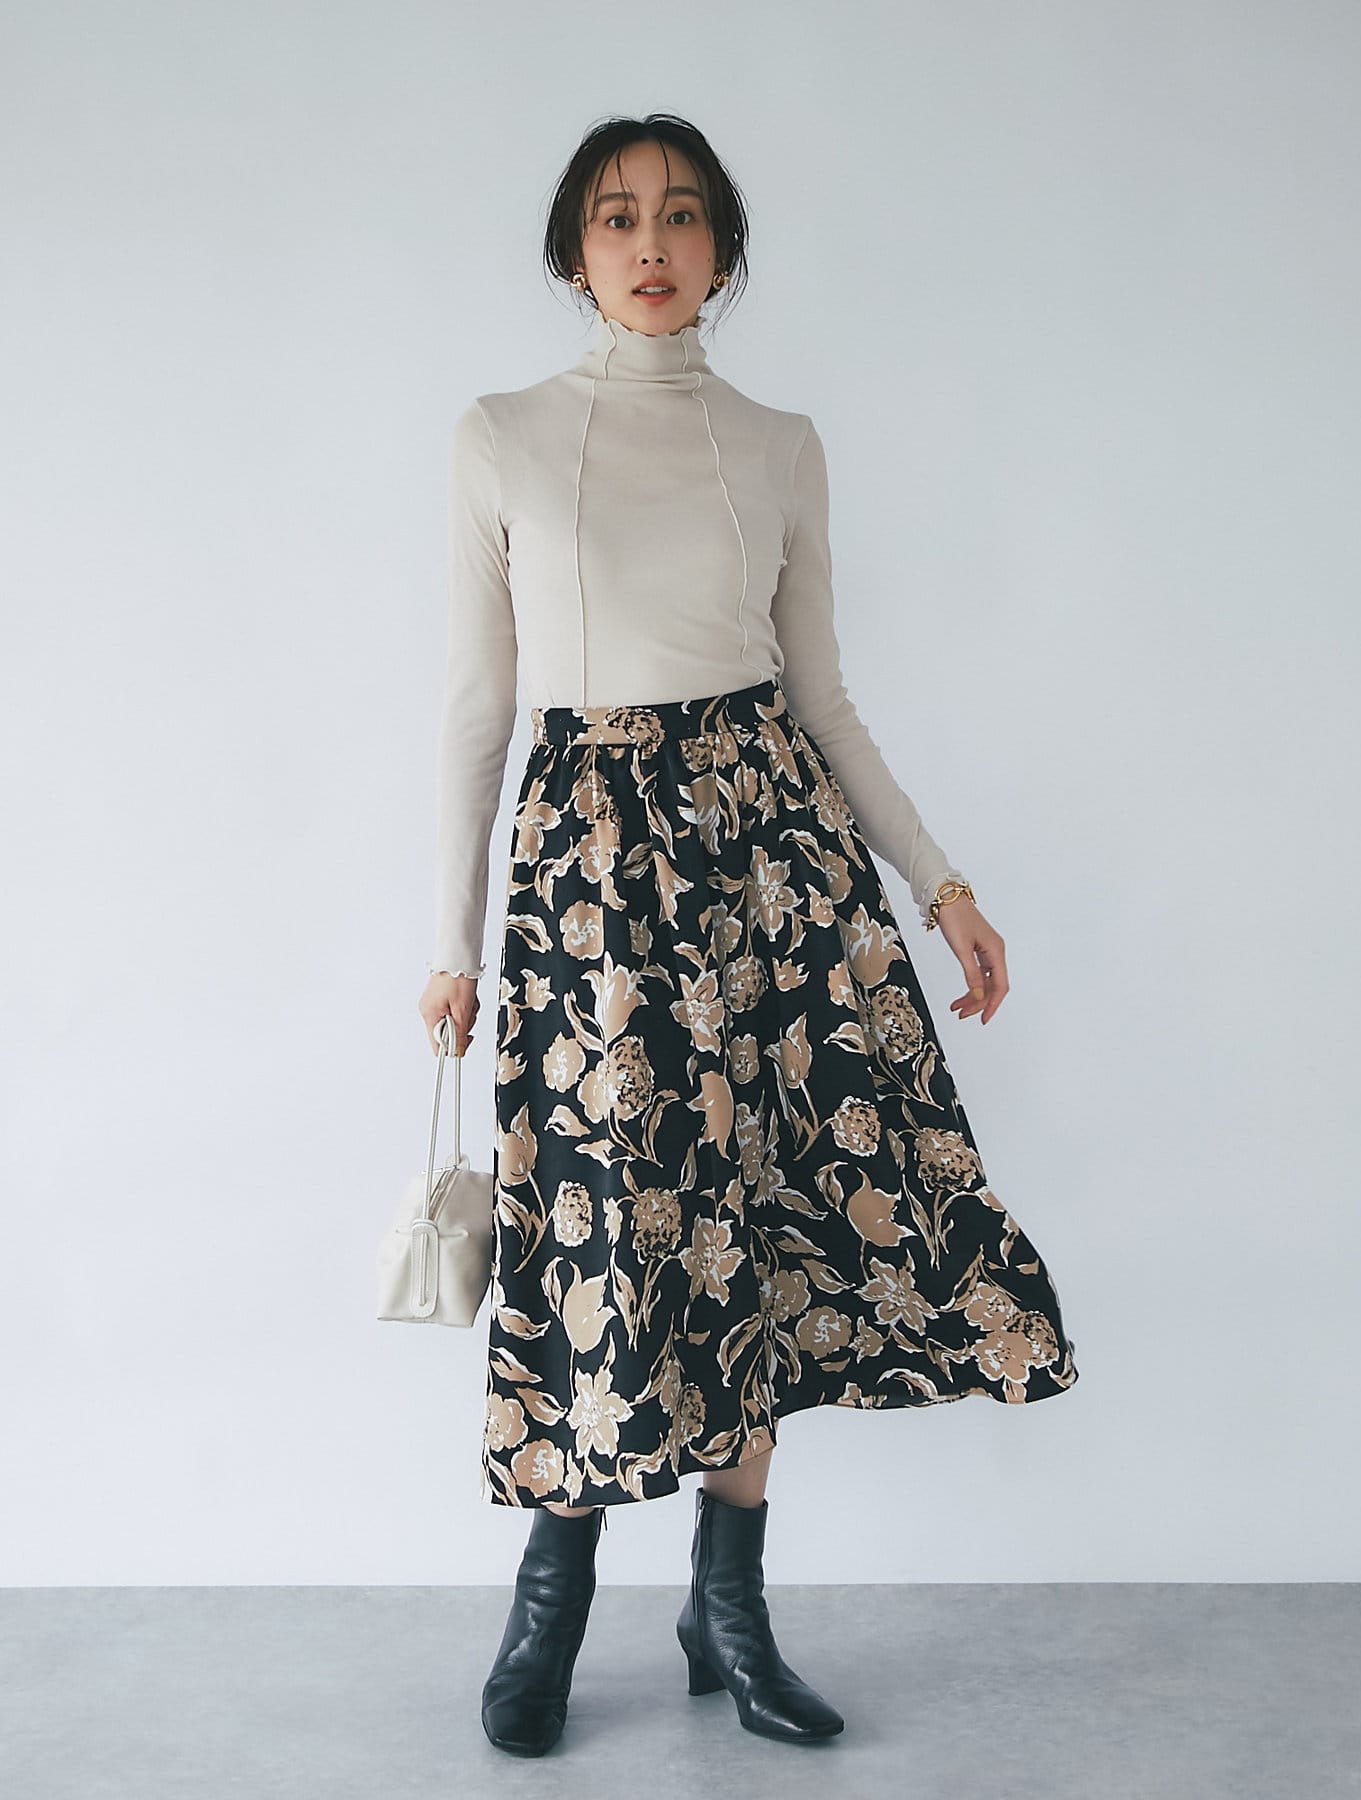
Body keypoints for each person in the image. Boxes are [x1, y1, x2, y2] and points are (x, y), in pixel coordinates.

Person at [416, 113, 1081, 1759]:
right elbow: (479, 712)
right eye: (616, 217)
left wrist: (942, 886)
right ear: (574, 251)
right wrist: (453, 945)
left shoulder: (779, 445)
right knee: (597, 1234)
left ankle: (730, 1609)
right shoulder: (502, 437)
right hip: (589, 886)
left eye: (682, 216)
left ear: (722, 248)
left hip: (771, 867)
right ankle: (552, 1598)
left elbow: (823, 699)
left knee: (758, 1226)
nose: (651, 244)